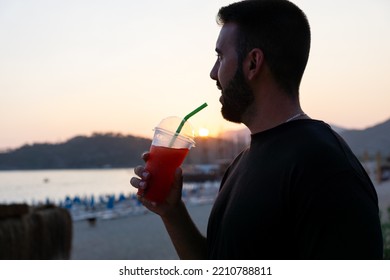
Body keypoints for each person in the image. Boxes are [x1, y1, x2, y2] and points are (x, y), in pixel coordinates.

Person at [130, 0, 383, 259]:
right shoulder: (241, 162)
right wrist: (172, 213)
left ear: (253, 63)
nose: (213, 73)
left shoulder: (325, 167)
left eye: (220, 57)